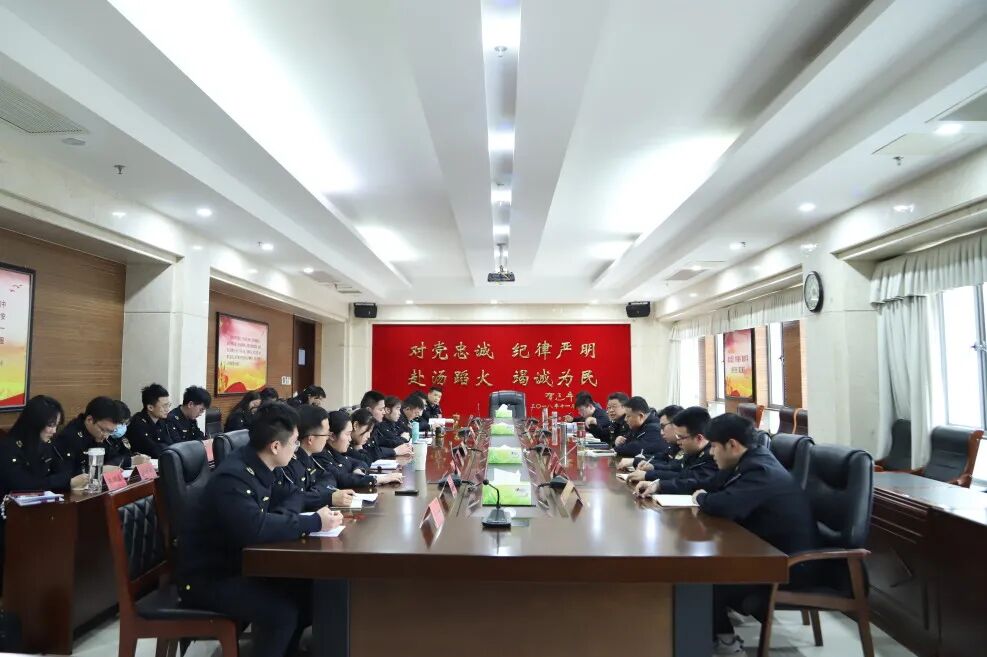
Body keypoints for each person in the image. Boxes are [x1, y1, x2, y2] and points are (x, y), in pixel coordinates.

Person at [178, 402, 342, 657]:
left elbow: (293, 496)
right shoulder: (233, 477)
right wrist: (313, 522)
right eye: (294, 443)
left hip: (239, 563)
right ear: (275, 446)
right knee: (281, 613)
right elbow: (255, 528)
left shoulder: (261, 465)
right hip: (209, 577)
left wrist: (284, 518)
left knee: (308, 593)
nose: (296, 449)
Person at [691, 413, 819, 654]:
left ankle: (726, 643)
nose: (711, 453)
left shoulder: (760, 469)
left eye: (714, 446)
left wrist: (702, 498)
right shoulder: (749, 460)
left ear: (732, 444)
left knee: (700, 576)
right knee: (700, 568)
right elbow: (715, 486)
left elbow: (725, 504)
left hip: (790, 565)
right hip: (767, 551)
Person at [0, 396, 88, 585]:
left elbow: (61, 471)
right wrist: (66, 481)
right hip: (11, 520)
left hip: (40, 516)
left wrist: (71, 479)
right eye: (50, 425)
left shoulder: (45, 445)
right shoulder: (8, 448)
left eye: (56, 425)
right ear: (34, 423)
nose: (54, 431)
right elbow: (24, 485)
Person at [282, 405, 355, 509]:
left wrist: (316, 493)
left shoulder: (309, 457)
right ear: (310, 439)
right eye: (326, 434)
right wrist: (327, 497)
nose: (327, 438)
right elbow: (294, 499)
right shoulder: (288, 463)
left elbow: (328, 478)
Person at [54, 396, 149, 475]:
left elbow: (113, 457)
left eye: (110, 431)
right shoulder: (69, 437)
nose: (106, 436)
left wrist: (130, 460)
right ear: (90, 420)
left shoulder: (101, 435)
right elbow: (65, 475)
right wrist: (99, 470)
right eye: (103, 430)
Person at [631, 406, 717, 492]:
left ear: (699, 438)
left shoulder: (713, 457)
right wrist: (653, 469)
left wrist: (659, 484)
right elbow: (677, 470)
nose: (678, 441)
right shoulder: (693, 451)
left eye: (681, 437)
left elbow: (692, 482)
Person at [314, 410, 403, 488]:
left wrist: (358, 469)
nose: (350, 439)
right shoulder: (321, 455)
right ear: (332, 436)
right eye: (347, 434)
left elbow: (360, 462)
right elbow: (341, 478)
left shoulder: (337, 451)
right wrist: (378, 479)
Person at [619, 404, 684, 471]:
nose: (661, 432)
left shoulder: (653, 428)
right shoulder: (674, 445)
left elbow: (674, 469)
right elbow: (662, 458)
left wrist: (637, 462)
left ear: (676, 425)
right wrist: (639, 459)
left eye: (663, 427)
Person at [126, 383, 182, 458]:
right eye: (164, 406)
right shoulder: (137, 423)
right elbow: (154, 450)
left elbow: (174, 444)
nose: (167, 409)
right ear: (150, 407)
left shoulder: (164, 420)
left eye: (168, 405)